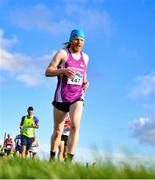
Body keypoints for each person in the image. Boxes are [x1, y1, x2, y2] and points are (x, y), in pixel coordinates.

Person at [45, 29, 89, 162]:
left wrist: (86, 82)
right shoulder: (63, 53)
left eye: (82, 40)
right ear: (71, 40)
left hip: (77, 96)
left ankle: (69, 161)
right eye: (77, 39)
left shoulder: (85, 57)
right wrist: (63, 70)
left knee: (75, 125)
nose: (79, 42)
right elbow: (48, 71)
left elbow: (83, 75)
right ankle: (52, 157)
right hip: (62, 97)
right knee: (58, 131)